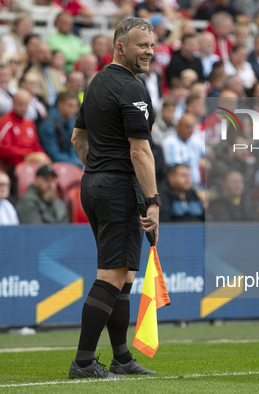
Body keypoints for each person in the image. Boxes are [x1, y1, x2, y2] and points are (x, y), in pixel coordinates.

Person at [69, 17, 159, 379]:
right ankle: (83, 363)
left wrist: (98, 168)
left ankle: (121, 358)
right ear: (120, 47)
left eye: (152, 45)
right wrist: (153, 200)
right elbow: (140, 151)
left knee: (123, 277)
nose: (149, 52)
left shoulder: (96, 84)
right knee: (111, 274)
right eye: (142, 45)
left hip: (93, 184)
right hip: (118, 188)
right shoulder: (131, 88)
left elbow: (78, 139)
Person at [0, 89, 50, 167]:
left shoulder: (29, 123)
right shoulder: (5, 122)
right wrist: (28, 156)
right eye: (20, 104)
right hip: (14, 163)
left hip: (33, 160)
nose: (23, 108)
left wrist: (45, 156)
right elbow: (3, 150)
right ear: (13, 103)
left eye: (26, 104)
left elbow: (35, 145)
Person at [37, 91, 82, 167]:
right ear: (60, 104)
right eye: (70, 106)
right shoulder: (48, 125)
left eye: (76, 106)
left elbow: (74, 149)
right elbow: (53, 155)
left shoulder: (72, 121)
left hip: (69, 162)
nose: (74, 110)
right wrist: (76, 163)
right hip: (53, 165)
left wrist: (77, 162)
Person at [162, 113, 205, 187]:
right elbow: (175, 169)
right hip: (178, 187)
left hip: (198, 185)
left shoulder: (196, 140)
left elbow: (210, 156)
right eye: (187, 126)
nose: (190, 130)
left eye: (192, 127)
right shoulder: (169, 142)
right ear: (178, 127)